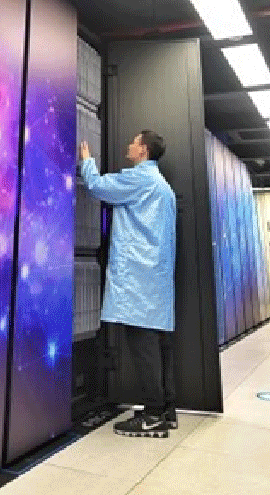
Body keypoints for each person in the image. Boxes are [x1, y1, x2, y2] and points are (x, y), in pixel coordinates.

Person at [78, 130, 178, 438]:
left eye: (133, 142)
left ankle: (152, 414)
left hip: (139, 276)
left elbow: (98, 187)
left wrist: (86, 162)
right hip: (153, 276)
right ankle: (165, 409)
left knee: (143, 345)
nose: (128, 145)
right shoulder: (163, 187)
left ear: (144, 150)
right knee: (157, 344)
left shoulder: (141, 179)